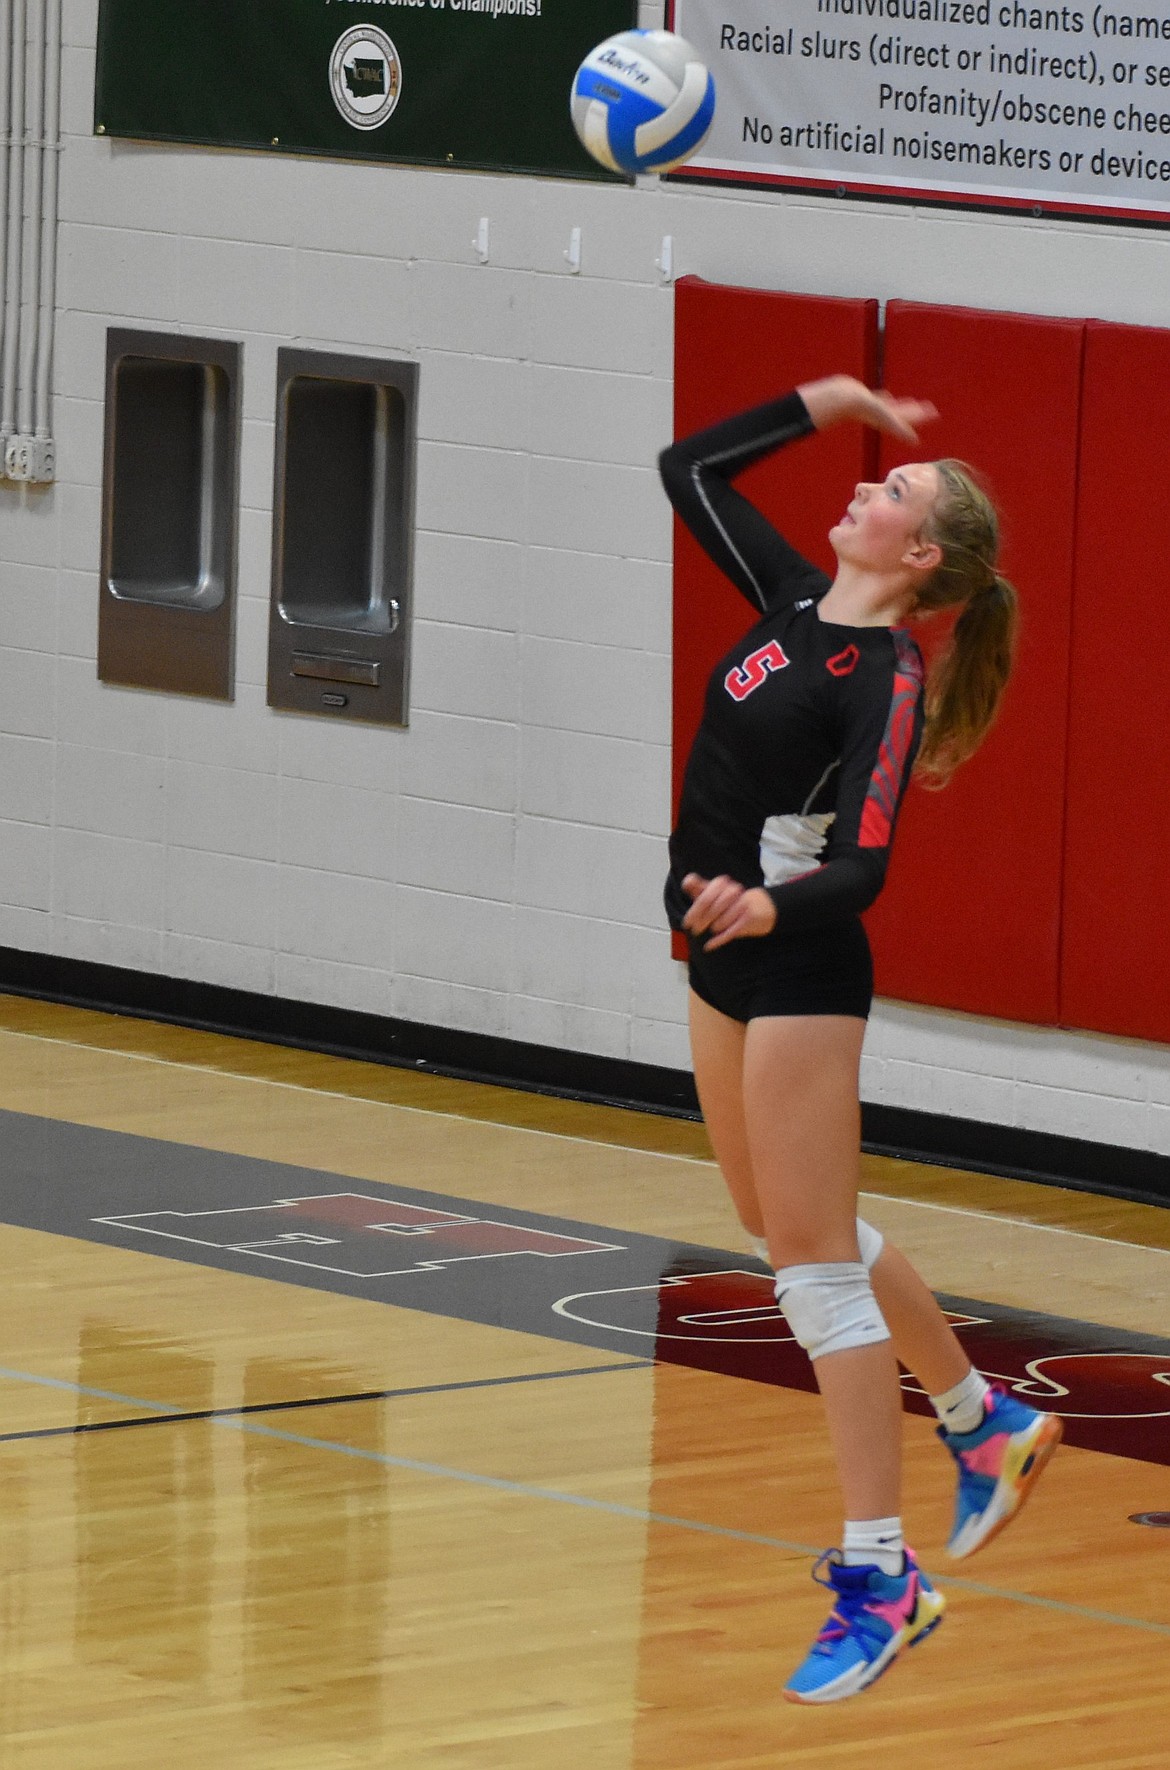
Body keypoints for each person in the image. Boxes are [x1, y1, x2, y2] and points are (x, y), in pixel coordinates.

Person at [658, 374, 1062, 1706]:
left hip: (801, 968)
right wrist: (815, 404)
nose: (864, 488)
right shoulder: (787, 597)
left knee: (811, 1277)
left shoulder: (882, 676)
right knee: (790, 1232)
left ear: (921, 556)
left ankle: (879, 1574)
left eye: (890, 491)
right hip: (723, 954)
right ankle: (980, 1418)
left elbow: (870, 864)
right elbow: (691, 473)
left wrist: (768, 899)